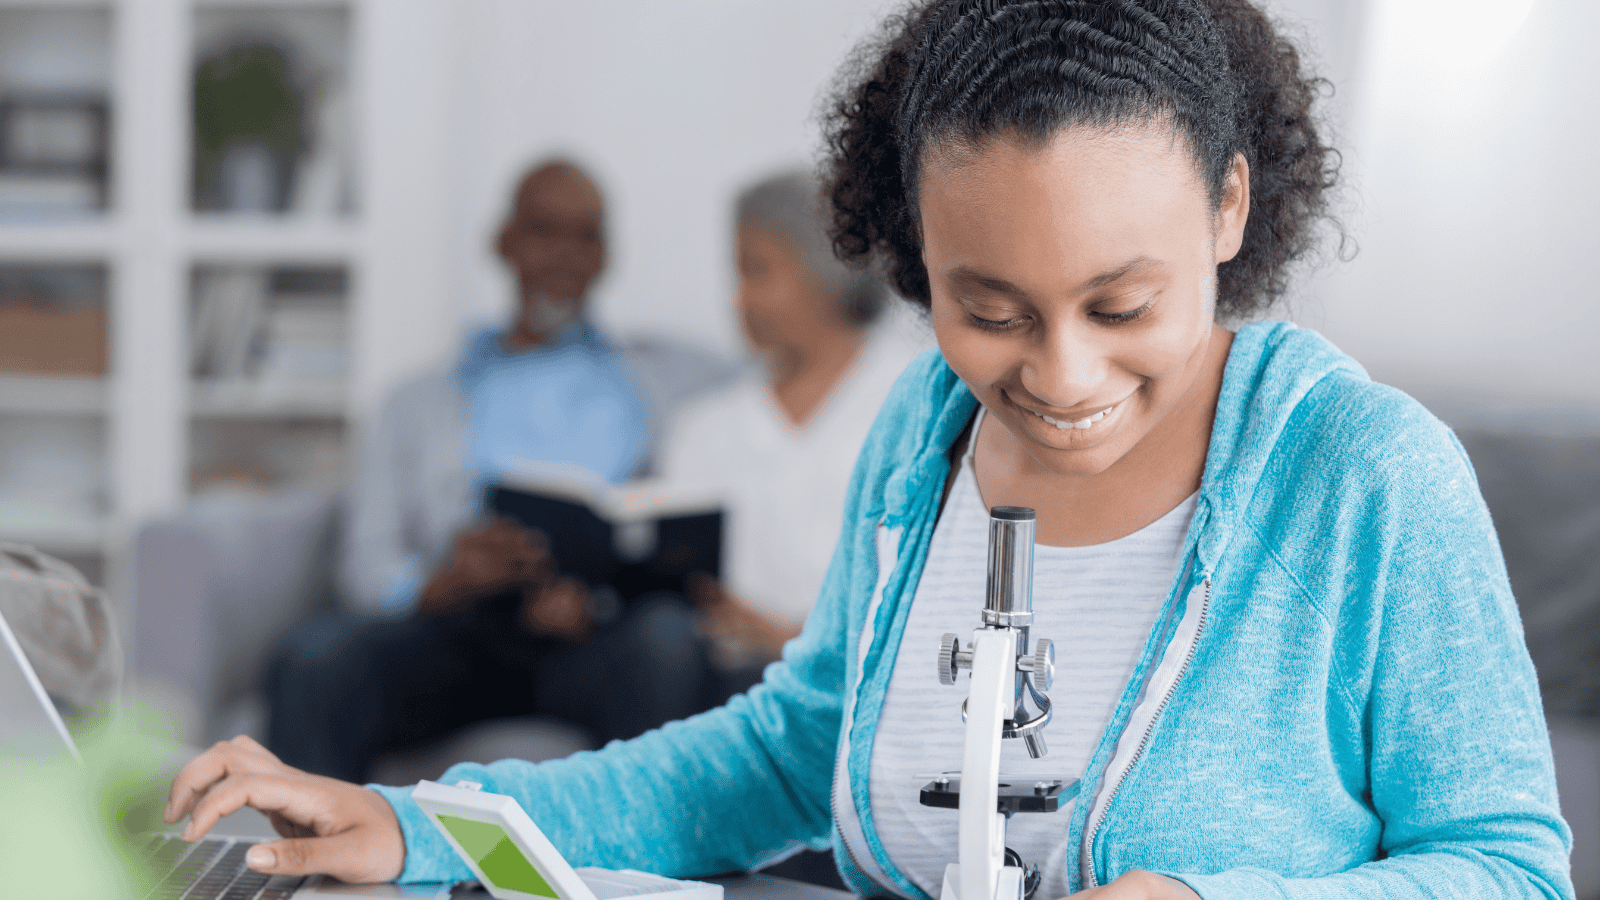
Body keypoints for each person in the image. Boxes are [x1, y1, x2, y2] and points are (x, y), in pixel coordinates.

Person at [166, 1, 1574, 897]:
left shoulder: (1368, 475)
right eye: (992, 309)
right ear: (914, 257)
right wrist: (416, 828)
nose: (1062, 376)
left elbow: (1509, 865)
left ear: (1228, 212)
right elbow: (787, 753)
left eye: (1122, 305)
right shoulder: (921, 437)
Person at [264, 159, 735, 783]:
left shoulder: (669, 381)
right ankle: (307, 869)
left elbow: (764, 412)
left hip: (597, 639)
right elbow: (364, 565)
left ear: (606, 256)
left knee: (669, 643)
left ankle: (641, 874)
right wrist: (440, 582)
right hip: (456, 636)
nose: (565, 257)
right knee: (314, 657)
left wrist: (607, 590)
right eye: (545, 231)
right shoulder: (415, 403)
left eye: (586, 236)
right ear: (503, 242)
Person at [663, 169, 925, 694]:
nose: (738, 297)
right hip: (722, 685)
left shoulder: (917, 398)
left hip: (864, 680)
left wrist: (791, 639)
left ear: (823, 270)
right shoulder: (701, 429)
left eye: (756, 270)